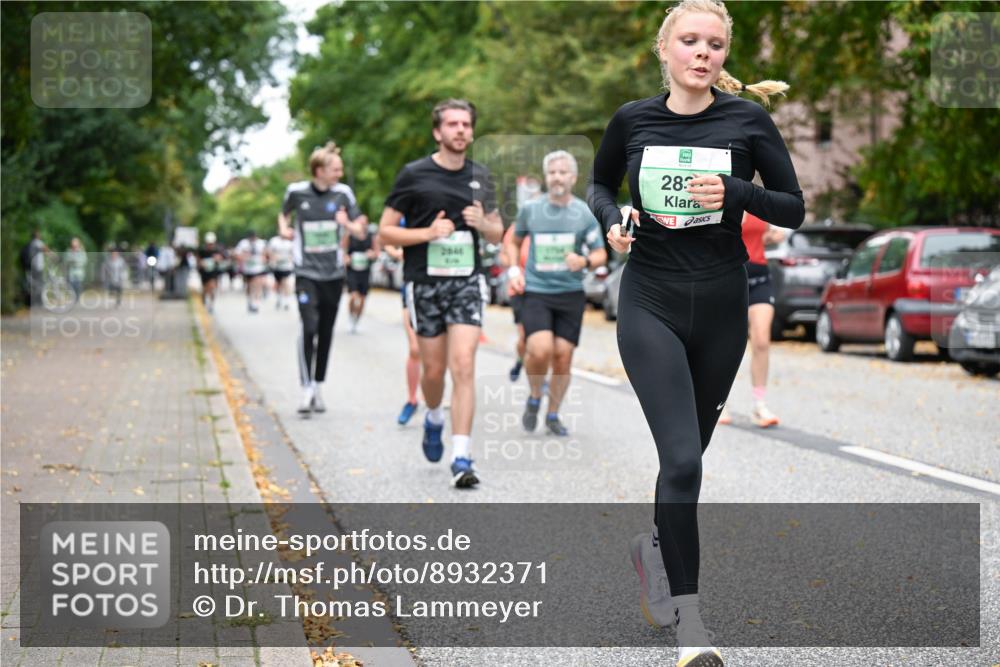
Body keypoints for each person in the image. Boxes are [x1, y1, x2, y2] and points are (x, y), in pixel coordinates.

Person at [588, 1, 804, 664]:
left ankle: (654, 545)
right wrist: (612, 217)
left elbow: (791, 207)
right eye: (690, 41)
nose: (702, 52)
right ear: (666, 49)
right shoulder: (633, 119)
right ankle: (691, 624)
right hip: (649, 298)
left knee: (689, 456)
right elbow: (600, 183)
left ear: (722, 55)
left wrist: (736, 192)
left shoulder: (747, 120)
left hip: (720, 304)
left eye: (714, 43)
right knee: (682, 460)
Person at [377, 99, 503, 488]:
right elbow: (385, 231)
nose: (461, 130)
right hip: (425, 283)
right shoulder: (413, 175)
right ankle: (433, 415)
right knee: (433, 371)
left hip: (467, 280)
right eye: (452, 124)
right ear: (438, 132)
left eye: (466, 123)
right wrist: (427, 234)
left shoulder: (481, 176)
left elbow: (498, 232)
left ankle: (461, 455)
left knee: (462, 364)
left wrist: (483, 223)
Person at [506, 150, 606, 436]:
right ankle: (535, 395)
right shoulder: (531, 210)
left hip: (570, 293)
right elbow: (513, 242)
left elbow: (600, 254)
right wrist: (514, 271)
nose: (557, 177)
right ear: (546, 177)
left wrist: (584, 261)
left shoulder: (583, 214)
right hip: (537, 291)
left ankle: (552, 414)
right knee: (539, 349)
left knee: (563, 356)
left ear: (573, 178)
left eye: (563, 172)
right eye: (552, 172)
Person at [279, 142, 366, 416]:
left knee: (326, 331)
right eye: (335, 169)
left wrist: (347, 224)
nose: (339, 174)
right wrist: (284, 229)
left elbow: (361, 230)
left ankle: (318, 385)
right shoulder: (296, 192)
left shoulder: (343, 194)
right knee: (309, 327)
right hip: (306, 272)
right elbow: (283, 215)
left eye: (340, 170)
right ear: (319, 170)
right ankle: (305, 388)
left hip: (333, 274)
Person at [718, 212, 785, 427]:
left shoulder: (758, 202)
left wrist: (772, 234)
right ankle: (718, 402)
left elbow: (777, 232)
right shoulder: (721, 197)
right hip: (728, 278)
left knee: (762, 341)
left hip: (760, 279)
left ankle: (759, 404)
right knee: (724, 344)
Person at [501, 223, 531, 382]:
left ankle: (541, 377)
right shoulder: (516, 229)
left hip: (544, 290)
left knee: (546, 337)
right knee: (526, 336)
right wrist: (515, 268)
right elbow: (503, 257)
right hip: (519, 289)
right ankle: (520, 361)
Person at [345, 222, 379, 333]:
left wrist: (372, 254)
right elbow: (342, 251)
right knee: (354, 296)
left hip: (365, 271)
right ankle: (351, 316)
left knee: (363, 299)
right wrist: (346, 258)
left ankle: (357, 320)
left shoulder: (371, 237)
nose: (362, 224)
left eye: (365, 223)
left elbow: (376, 253)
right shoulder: (349, 236)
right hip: (352, 271)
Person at [235, 230, 268, 313]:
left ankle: (255, 303)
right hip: (247, 269)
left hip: (258, 268)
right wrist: (244, 257)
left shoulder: (261, 243)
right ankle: (250, 300)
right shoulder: (243, 243)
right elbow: (237, 255)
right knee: (249, 286)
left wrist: (264, 258)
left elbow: (266, 254)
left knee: (257, 284)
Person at [267, 231, 295, 311]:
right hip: (277, 266)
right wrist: (273, 258)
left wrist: (289, 258)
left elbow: (293, 253)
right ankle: (279, 298)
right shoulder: (274, 241)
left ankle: (287, 301)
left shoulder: (290, 242)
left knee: (285, 282)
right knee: (278, 283)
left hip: (287, 266)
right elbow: (269, 251)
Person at [20, 229, 47, 307]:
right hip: (38, 268)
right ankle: (39, 302)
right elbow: (46, 250)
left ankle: (31, 303)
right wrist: (55, 256)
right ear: (37, 236)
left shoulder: (30, 244)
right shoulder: (38, 243)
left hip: (29, 268)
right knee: (39, 285)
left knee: (32, 285)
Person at [198, 232, 223, 313]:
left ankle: (211, 304)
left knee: (212, 287)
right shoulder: (202, 250)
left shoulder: (217, 250)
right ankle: (204, 298)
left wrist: (217, 259)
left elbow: (221, 259)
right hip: (204, 272)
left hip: (213, 272)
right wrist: (202, 264)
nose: (210, 245)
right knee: (205, 288)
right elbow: (198, 261)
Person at [65, 237, 87, 302]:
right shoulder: (69, 251)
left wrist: (77, 263)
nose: (74, 245)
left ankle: (77, 298)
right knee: (71, 286)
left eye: (75, 244)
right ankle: (72, 298)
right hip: (71, 272)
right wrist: (70, 261)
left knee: (78, 286)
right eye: (73, 244)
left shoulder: (81, 251)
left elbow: (84, 261)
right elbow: (66, 260)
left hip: (79, 272)